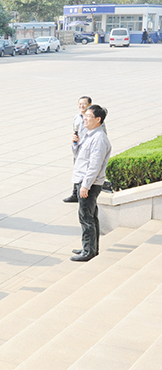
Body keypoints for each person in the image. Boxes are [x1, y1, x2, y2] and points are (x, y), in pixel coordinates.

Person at [71, 105, 112, 262]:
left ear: (98, 119)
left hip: (89, 183)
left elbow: (94, 165)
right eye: (84, 116)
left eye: (88, 116)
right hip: (83, 180)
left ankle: (89, 251)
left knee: (86, 218)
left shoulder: (99, 138)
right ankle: (90, 248)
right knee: (90, 216)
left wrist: (85, 185)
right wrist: (75, 144)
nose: (85, 119)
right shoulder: (89, 134)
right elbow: (80, 157)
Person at [64, 96, 94, 203]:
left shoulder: (93, 118)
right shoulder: (77, 117)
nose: (81, 106)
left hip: (87, 149)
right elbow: (75, 130)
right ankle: (75, 194)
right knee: (77, 171)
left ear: (89, 105)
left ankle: (85, 193)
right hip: (78, 148)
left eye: (84, 104)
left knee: (86, 172)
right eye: (80, 104)